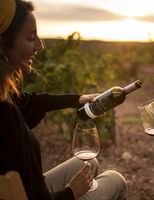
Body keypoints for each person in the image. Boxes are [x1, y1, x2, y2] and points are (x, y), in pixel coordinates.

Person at [0, 0, 127, 200]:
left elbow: (30, 103)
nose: (40, 45)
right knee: (116, 178)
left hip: (29, 189)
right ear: (3, 43)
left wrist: (78, 99)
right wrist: (71, 192)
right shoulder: (4, 115)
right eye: (31, 36)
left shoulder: (4, 95)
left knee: (88, 164)